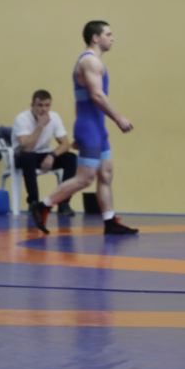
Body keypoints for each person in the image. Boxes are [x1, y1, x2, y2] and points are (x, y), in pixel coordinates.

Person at [30, 21, 138, 235]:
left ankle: (109, 221)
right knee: (85, 179)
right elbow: (97, 95)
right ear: (95, 38)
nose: (112, 38)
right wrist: (118, 119)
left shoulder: (94, 62)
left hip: (95, 128)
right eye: (108, 34)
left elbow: (80, 100)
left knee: (106, 173)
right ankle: (43, 205)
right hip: (91, 129)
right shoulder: (90, 61)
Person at [11, 89, 78, 215]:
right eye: (40, 105)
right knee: (28, 157)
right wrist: (40, 126)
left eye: (47, 105)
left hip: (43, 154)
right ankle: (34, 203)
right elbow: (27, 148)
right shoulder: (22, 119)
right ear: (32, 105)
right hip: (21, 156)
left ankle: (63, 203)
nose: (43, 109)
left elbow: (65, 144)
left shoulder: (54, 117)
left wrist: (52, 155)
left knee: (71, 158)